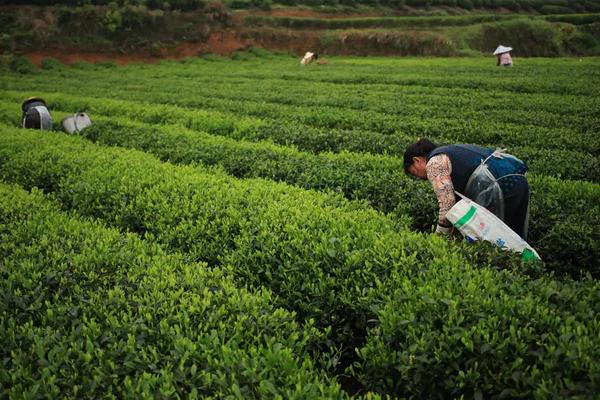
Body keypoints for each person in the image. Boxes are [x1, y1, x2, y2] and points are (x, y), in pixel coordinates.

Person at [403, 139, 530, 240]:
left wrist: (440, 237)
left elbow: (447, 204)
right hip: (517, 177)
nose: (419, 178)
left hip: (500, 186)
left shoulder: (434, 163)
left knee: (497, 240)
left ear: (417, 160)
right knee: (516, 239)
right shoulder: (449, 151)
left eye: (414, 173)